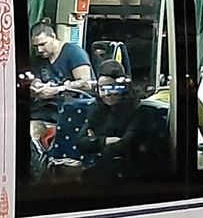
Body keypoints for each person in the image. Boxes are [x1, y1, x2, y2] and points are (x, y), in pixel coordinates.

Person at [26, 21, 94, 150]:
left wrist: (59, 89)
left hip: (71, 111)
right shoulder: (38, 59)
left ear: (53, 36)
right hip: (44, 112)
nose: (40, 50)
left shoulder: (73, 53)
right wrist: (37, 87)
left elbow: (86, 83)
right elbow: (34, 79)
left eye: (43, 44)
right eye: (36, 46)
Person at [74, 60, 136, 175]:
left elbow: (126, 144)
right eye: (102, 88)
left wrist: (95, 142)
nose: (107, 94)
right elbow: (80, 142)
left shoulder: (138, 110)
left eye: (112, 87)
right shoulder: (96, 110)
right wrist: (105, 141)